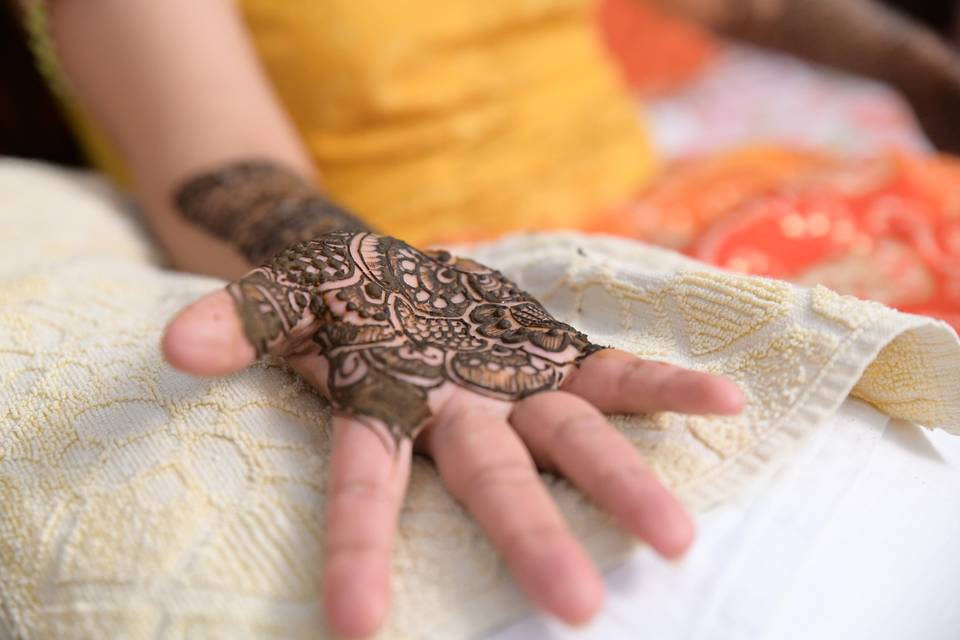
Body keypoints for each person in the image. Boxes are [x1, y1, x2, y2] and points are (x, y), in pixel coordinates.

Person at [30, 0, 960, 637]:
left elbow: (742, 9)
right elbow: (219, 155)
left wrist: (907, 61)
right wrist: (367, 287)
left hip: (682, 193)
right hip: (449, 260)